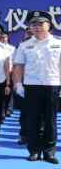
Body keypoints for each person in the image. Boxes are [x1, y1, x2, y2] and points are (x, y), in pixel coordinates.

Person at [13, 11, 61, 164]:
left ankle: (49, 152)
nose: (37, 27)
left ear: (49, 25)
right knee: (32, 120)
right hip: (32, 87)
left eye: (41, 23)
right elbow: (18, 66)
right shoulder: (25, 45)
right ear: (30, 27)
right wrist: (18, 83)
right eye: (34, 24)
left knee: (50, 120)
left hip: (52, 85)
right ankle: (33, 151)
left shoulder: (58, 44)